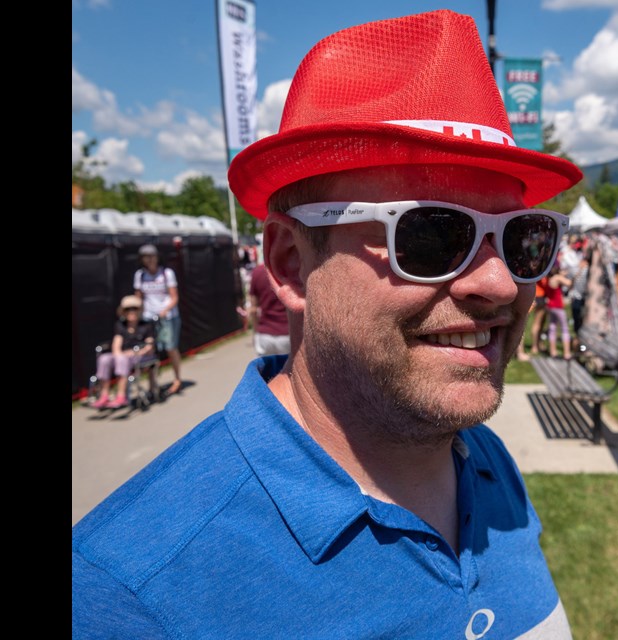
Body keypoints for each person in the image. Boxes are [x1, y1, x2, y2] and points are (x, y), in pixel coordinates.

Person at [72, 10, 583, 639]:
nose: (501, 282)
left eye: (522, 238)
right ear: (290, 262)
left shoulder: (483, 459)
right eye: (429, 234)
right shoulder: (131, 595)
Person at [89, 295, 156, 409]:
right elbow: (116, 345)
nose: (131, 312)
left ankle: (121, 396)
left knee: (121, 359)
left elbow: (149, 346)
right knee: (104, 358)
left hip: (139, 356)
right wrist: (119, 354)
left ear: (139, 310)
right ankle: (104, 395)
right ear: (123, 312)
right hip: (123, 356)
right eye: (128, 309)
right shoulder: (120, 325)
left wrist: (135, 353)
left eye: (134, 309)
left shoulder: (146, 325)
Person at [134, 243, 183, 395]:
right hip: (148, 317)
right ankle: (153, 384)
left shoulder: (166, 273)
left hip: (167, 316)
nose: (149, 260)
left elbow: (174, 297)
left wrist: (165, 310)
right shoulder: (140, 275)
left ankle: (177, 379)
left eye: (151, 256)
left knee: (170, 347)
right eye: (145, 257)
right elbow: (138, 298)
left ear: (157, 258)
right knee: (150, 350)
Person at [247, 262, 291, 356]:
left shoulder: (257, 272)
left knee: (266, 369)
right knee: (289, 370)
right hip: (287, 333)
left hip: (265, 334)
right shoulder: (288, 268)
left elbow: (253, 308)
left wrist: (255, 331)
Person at [543, 263, 573, 359]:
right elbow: (569, 283)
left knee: (552, 328)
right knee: (565, 329)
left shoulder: (549, 279)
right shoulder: (557, 278)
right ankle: (567, 353)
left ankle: (553, 352)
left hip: (550, 307)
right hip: (558, 307)